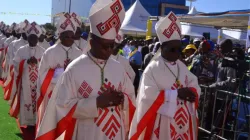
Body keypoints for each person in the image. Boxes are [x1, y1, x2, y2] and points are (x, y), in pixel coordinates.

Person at [36, 0, 135, 139]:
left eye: (111, 46)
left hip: (116, 132)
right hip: (87, 133)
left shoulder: (118, 67)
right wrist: (96, 103)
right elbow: (62, 106)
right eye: (104, 46)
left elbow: (131, 97)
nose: (108, 51)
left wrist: (122, 98)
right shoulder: (75, 69)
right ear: (91, 42)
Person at [129, 12, 200, 140]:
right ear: (162, 47)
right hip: (162, 124)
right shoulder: (152, 69)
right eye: (173, 49)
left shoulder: (181, 66)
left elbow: (194, 84)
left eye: (180, 49)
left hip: (183, 121)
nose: (177, 53)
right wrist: (176, 94)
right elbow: (147, 96)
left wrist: (193, 91)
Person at [36, 12, 82, 130]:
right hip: (54, 93)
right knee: (52, 124)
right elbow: (42, 73)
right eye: (67, 36)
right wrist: (62, 71)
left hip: (72, 95)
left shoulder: (79, 53)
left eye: (72, 36)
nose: (70, 39)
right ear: (60, 36)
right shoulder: (50, 52)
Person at [9, 22, 45, 140]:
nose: (33, 39)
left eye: (35, 37)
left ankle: (37, 122)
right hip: (26, 82)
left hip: (38, 83)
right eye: (31, 37)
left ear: (38, 38)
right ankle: (29, 123)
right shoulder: (21, 50)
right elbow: (15, 63)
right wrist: (25, 63)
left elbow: (46, 66)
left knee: (38, 99)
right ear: (28, 37)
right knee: (27, 100)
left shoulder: (43, 51)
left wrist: (38, 62)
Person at [4, 20, 30, 102]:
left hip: (30, 71)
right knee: (16, 86)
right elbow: (12, 56)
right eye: (24, 33)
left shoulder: (33, 43)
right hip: (17, 68)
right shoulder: (15, 43)